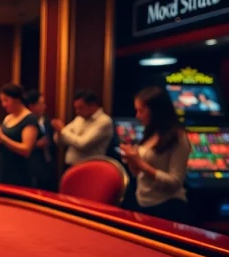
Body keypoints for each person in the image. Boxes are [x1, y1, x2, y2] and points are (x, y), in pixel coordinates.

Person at [120, 86, 191, 223]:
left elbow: (175, 182)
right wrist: (131, 160)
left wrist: (140, 163)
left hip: (167, 207)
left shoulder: (178, 138)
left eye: (141, 111)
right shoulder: (150, 133)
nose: (137, 116)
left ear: (156, 111)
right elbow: (138, 174)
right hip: (143, 201)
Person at [0, 84, 39, 187]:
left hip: (17, 173)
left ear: (17, 99)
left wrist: (2, 136)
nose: (3, 104)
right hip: (0, 169)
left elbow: (26, 150)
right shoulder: (8, 118)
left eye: (6, 100)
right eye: (2, 101)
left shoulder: (30, 119)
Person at [52, 90, 113, 169]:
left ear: (92, 105)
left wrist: (62, 130)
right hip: (71, 165)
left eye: (81, 107)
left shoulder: (104, 121)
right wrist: (59, 132)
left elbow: (82, 144)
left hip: (89, 168)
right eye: (76, 108)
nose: (77, 112)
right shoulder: (79, 119)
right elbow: (58, 140)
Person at [24, 89, 56, 190]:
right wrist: (36, 145)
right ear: (32, 106)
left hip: (47, 165)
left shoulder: (47, 121)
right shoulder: (24, 123)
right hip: (30, 167)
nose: (44, 106)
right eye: (41, 103)